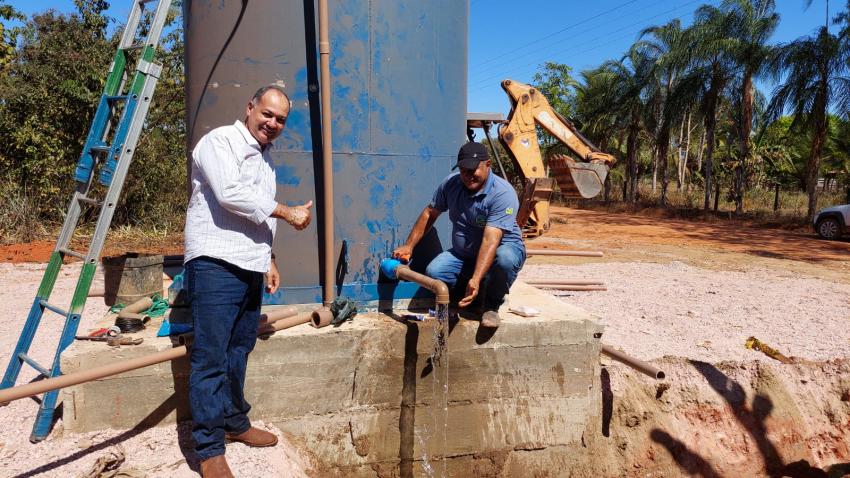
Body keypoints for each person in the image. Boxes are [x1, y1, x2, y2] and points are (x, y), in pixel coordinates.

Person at [183, 84, 313, 478]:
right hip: (215, 264)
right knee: (210, 358)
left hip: (248, 265)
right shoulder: (219, 141)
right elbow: (230, 195)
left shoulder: (265, 159)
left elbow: (256, 220)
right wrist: (287, 212)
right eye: (267, 114)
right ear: (250, 108)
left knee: (239, 349)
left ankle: (234, 422)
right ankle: (208, 449)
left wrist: (269, 259)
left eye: (280, 120)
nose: (272, 123)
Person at [392, 142, 526, 328]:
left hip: (498, 250)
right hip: (465, 254)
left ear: (488, 165)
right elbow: (429, 213)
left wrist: (476, 278)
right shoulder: (451, 184)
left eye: (473, 170)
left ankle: (491, 305)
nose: (467, 176)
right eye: (463, 170)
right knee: (435, 272)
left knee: (505, 259)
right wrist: (409, 245)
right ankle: (470, 295)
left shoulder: (502, 194)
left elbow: (490, 241)